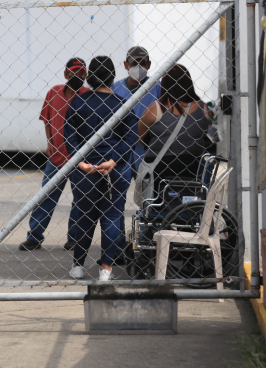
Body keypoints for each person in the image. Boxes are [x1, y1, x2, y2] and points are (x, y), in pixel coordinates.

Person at [64, 56, 137, 281]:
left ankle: (78, 266)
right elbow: (132, 135)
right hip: (114, 170)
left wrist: (81, 161)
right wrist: (113, 160)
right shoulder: (121, 104)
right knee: (112, 216)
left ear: (90, 76)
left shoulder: (78, 102)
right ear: (112, 76)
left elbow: (69, 134)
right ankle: (106, 269)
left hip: (86, 170)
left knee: (85, 216)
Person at [18, 58, 91, 251]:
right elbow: (47, 120)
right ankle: (34, 237)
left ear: (86, 75)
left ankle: (74, 237)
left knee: (80, 199)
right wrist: (50, 143)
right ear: (66, 74)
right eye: (74, 72)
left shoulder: (88, 95)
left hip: (79, 158)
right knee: (46, 197)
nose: (78, 76)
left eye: (82, 73)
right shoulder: (53, 93)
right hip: (57, 157)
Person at [138, 64, 209, 188]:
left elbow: (140, 138)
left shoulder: (155, 109)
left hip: (160, 169)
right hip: (194, 168)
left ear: (165, 85)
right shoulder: (203, 108)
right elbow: (205, 130)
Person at [111, 46, 161, 174]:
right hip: (121, 148)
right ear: (126, 65)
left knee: (147, 188)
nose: (138, 67)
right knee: (119, 189)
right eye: (134, 63)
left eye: (142, 63)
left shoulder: (157, 87)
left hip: (147, 148)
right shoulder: (115, 89)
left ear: (149, 65)